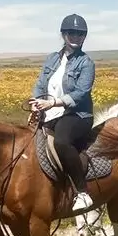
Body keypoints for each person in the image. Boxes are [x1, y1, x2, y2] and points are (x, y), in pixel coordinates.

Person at [29, 14, 96, 213]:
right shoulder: (52, 58)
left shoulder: (86, 63)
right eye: (71, 33)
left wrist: (53, 103)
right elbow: (41, 83)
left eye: (80, 34)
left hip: (78, 115)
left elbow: (80, 93)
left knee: (61, 142)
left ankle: (82, 192)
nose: (76, 36)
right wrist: (35, 103)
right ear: (63, 34)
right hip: (50, 112)